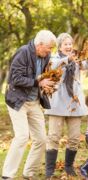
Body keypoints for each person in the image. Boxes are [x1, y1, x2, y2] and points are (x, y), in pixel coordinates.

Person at [2, 30, 57, 179]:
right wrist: (38, 82)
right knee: (21, 137)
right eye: (49, 48)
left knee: (40, 139)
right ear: (39, 45)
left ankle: (28, 173)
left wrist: (46, 85)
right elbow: (16, 78)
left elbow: (41, 76)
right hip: (17, 100)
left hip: (34, 102)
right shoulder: (23, 52)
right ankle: (7, 175)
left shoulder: (46, 56)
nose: (50, 51)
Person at [44, 33, 88, 178]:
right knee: (53, 136)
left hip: (74, 103)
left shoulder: (76, 59)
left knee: (74, 138)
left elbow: (86, 65)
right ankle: (49, 170)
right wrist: (67, 59)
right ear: (59, 46)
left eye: (70, 44)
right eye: (65, 44)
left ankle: (69, 166)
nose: (69, 46)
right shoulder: (54, 59)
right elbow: (54, 66)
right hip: (57, 103)